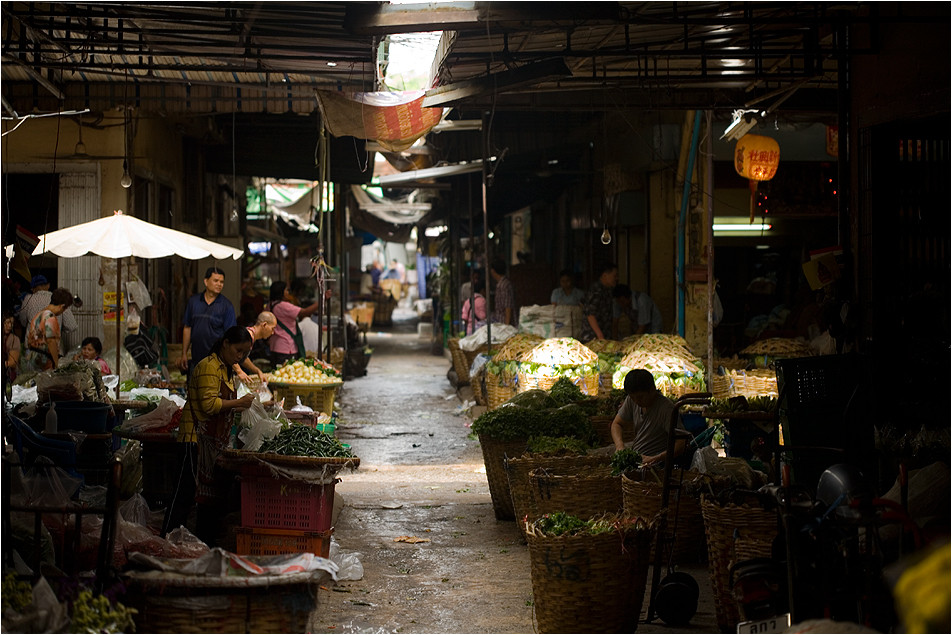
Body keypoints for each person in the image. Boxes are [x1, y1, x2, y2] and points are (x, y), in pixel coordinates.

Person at [178, 326, 256, 546]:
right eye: (237, 350)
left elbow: (225, 405)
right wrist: (239, 403)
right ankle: (172, 541)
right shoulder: (209, 367)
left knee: (208, 501)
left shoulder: (226, 369)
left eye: (244, 353)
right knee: (185, 498)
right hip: (193, 440)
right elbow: (210, 405)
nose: (239, 356)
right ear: (225, 343)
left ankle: (202, 544)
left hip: (212, 444)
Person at [609, 369, 691, 467]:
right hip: (639, 460)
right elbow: (616, 424)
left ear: (652, 390)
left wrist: (655, 458)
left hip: (658, 465)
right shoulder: (631, 400)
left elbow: (681, 443)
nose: (636, 401)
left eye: (640, 397)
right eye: (632, 398)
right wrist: (619, 446)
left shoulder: (666, 409)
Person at [179, 267, 237, 374]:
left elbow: (231, 336)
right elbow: (187, 328)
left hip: (217, 361)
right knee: (194, 388)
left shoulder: (226, 306)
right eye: (216, 281)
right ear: (206, 281)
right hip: (196, 359)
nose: (219, 284)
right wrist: (184, 353)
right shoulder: (194, 302)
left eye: (222, 282)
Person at [17, 274, 78, 353]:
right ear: (48, 286)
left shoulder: (28, 299)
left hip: (32, 350)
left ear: (33, 289)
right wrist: (60, 327)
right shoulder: (58, 299)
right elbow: (72, 326)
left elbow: (23, 322)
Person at [267, 280, 322, 367]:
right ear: (281, 292)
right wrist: (322, 300)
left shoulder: (270, 305)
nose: (288, 292)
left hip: (274, 346)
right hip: (286, 347)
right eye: (286, 290)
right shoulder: (284, 306)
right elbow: (305, 312)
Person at [21, 287, 73, 374]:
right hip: (43, 360)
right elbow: (51, 342)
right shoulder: (50, 317)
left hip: (31, 357)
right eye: (64, 309)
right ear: (62, 306)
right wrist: (56, 364)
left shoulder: (39, 314)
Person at [579, 262, 619, 342]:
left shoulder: (608, 290)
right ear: (604, 275)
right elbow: (590, 314)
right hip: (593, 337)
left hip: (604, 334)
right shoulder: (596, 291)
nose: (617, 278)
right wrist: (600, 336)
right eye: (615, 276)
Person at [235, 311, 276, 384]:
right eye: (272, 328)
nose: (273, 332)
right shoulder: (248, 335)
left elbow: (242, 357)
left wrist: (257, 371)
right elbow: (231, 354)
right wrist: (239, 371)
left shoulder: (251, 336)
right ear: (264, 325)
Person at [489, 259, 516, 326]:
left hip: (504, 322)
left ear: (493, 271)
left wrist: (506, 325)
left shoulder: (504, 285)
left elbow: (508, 306)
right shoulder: (502, 284)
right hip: (501, 321)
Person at [3, 312, 21, 388]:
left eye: (11, 323)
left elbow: (13, 363)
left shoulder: (14, 339)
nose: (10, 326)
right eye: (6, 323)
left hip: (8, 377)